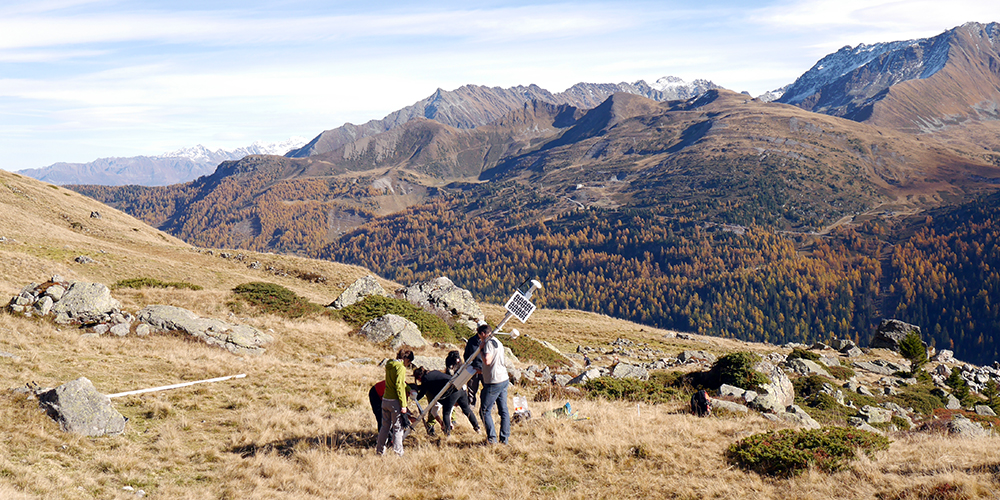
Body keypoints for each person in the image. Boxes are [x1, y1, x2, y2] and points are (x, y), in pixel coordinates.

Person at [413, 351, 481, 436]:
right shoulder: (433, 373)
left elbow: (422, 393)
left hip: (452, 392)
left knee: (446, 412)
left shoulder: (425, 379)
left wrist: (414, 398)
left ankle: (447, 434)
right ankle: (477, 428)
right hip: (460, 387)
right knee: (467, 410)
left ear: (419, 377)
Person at [376, 348, 414, 456]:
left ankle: (380, 451)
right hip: (395, 402)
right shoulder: (401, 368)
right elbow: (399, 386)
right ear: (405, 359)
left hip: (385, 400)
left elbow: (398, 383)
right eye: (409, 361)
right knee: (398, 428)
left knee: (385, 427)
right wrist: (403, 405)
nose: (408, 364)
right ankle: (398, 453)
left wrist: (409, 389)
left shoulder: (390, 365)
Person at [477, 323, 510, 444]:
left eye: (479, 335)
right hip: (503, 378)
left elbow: (487, 360)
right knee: (503, 410)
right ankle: (504, 438)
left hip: (493, 381)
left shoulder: (488, 343)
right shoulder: (497, 341)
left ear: (483, 334)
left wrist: (481, 349)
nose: (479, 338)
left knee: (484, 411)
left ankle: (492, 439)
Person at [464, 322, 485, 406]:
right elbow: (466, 355)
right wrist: (470, 367)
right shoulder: (471, 341)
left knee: (487, 388)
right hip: (473, 369)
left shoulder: (489, 341)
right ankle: (471, 405)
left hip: (485, 370)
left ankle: (489, 406)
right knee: (471, 389)